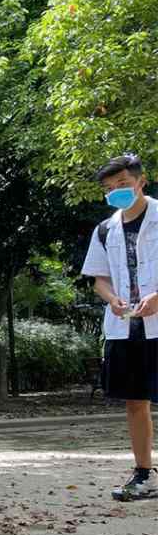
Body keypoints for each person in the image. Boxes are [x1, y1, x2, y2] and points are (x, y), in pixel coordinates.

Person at [81, 153, 158, 501]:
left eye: (123, 185)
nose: (116, 193)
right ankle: (144, 474)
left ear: (142, 181)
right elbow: (99, 279)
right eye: (110, 189)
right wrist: (111, 297)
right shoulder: (105, 229)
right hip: (125, 326)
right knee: (134, 401)